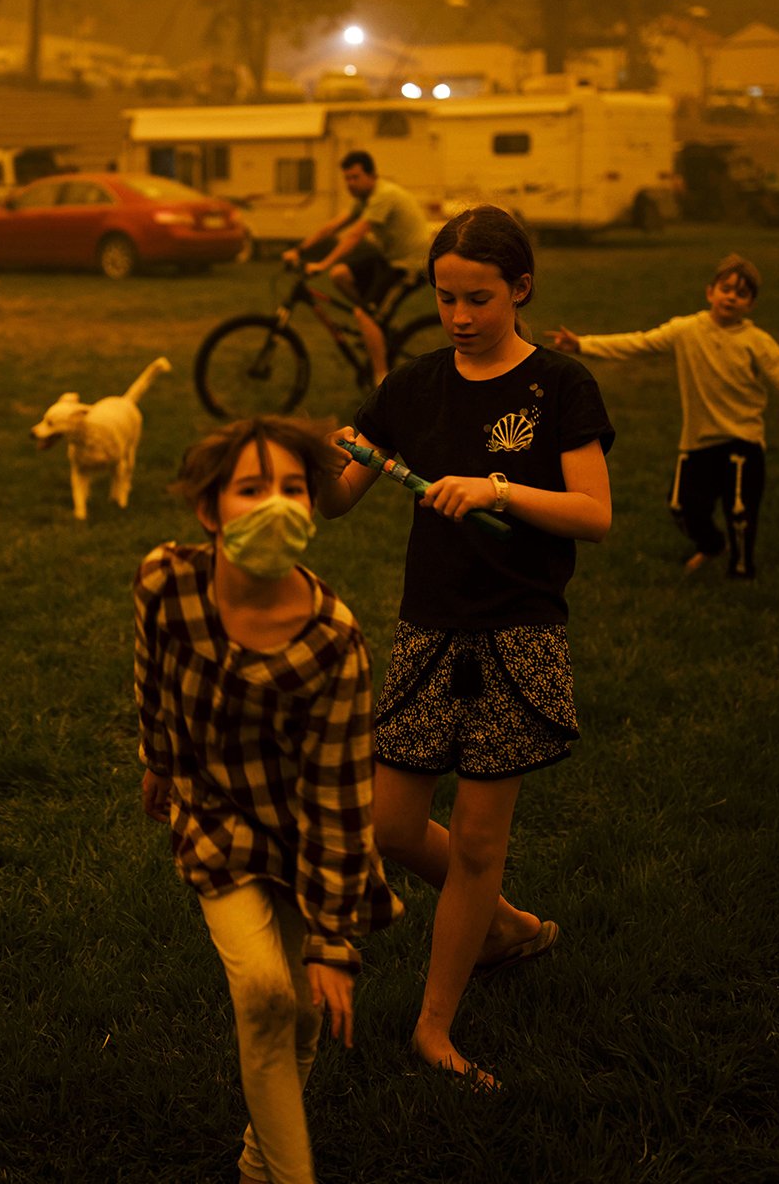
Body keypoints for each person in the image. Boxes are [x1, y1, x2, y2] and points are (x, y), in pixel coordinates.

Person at [318, 205, 613, 1089]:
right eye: (446, 298)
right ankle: (510, 926)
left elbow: (594, 515)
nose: (459, 317)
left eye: (478, 298)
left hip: (518, 631)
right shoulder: (411, 388)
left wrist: (495, 488)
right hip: (428, 628)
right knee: (392, 826)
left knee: (480, 843)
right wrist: (304, 462)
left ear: (519, 288)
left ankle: (434, 1027)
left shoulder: (560, 387)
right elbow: (338, 500)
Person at [135, 416, 400, 1184]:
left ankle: (260, 1153)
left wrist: (335, 943)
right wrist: (158, 758)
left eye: (293, 487)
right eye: (252, 489)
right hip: (213, 817)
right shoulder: (166, 580)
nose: (278, 505)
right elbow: (151, 673)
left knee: (305, 1012)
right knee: (262, 992)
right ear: (209, 511)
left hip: (303, 837)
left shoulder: (332, 643)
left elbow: (340, 799)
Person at [548, 253, 779, 579]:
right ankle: (711, 545)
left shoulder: (757, 343)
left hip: (743, 442)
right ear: (710, 292)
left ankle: (742, 573)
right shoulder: (686, 330)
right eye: (726, 288)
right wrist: (582, 344)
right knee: (681, 507)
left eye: (742, 293)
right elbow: (639, 342)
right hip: (698, 441)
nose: (732, 296)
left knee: (740, 512)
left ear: (751, 304)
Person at [284, 150, 431, 385]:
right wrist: (299, 250)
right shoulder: (364, 198)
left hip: (412, 265)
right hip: (390, 258)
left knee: (364, 315)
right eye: (347, 178)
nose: (350, 184)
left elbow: (354, 235)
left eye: (355, 177)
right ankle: (377, 321)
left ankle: (381, 381)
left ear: (372, 175)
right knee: (340, 274)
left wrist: (323, 263)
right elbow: (332, 227)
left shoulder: (384, 195)